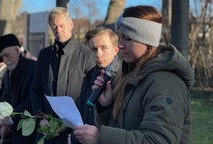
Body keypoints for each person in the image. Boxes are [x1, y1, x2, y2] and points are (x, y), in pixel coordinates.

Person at [73, 5, 194, 144]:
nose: (121, 45)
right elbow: (122, 128)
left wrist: (100, 137)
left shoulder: (167, 83)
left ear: (147, 40)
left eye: (128, 38)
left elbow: (157, 140)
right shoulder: (130, 76)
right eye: (119, 38)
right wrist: (106, 106)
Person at [29, 7, 95, 144]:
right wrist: (41, 118)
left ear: (71, 25)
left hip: (74, 130)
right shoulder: (44, 55)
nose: (58, 30)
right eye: (54, 26)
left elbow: (90, 94)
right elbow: (35, 90)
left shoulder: (86, 54)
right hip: (46, 129)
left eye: (61, 25)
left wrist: (67, 123)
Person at [70, 27, 119, 144]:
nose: (98, 54)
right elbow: (82, 109)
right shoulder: (91, 74)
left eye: (104, 48)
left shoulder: (123, 77)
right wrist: (74, 137)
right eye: (94, 49)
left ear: (116, 49)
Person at [0, 33, 36, 144]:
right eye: (2, 57)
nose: (5, 60)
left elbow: (32, 100)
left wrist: (10, 119)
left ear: (17, 50)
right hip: (14, 133)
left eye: (7, 55)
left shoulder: (34, 68)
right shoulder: (7, 73)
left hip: (30, 132)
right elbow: (6, 96)